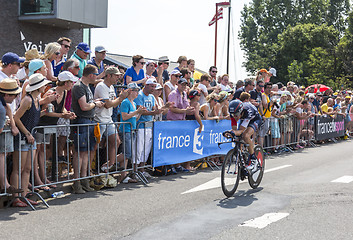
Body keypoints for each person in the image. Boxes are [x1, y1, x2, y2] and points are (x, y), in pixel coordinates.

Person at [11, 73, 51, 207]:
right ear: (38, 87)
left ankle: (23, 196)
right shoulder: (27, 100)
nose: (45, 87)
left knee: (27, 168)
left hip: (29, 137)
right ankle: (16, 197)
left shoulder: (36, 100)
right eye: (43, 85)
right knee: (18, 168)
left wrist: (43, 113)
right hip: (23, 137)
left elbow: (30, 116)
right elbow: (16, 118)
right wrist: (27, 134)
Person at [33, 71, 77, 191]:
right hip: (41, 125)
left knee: (42, 151)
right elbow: (46, 111)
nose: (72, 84)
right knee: (38, 152)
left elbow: (61, 107)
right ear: (66, 82)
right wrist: (62, 115)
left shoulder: (65, 91)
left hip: (49, 125)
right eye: (71, 82)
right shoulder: (51, 92)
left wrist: (66, 113)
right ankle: (38, 179)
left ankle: (43, 178)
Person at [71, 64, 104, 194]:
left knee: (86, 152)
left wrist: (95, 102)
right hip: (82, 121)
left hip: (88, 121)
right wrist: (95, 103)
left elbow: (87, 104)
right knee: (80, 153)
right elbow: (84, 106)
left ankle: (84, 180)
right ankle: (77, 181)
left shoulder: (86, 86)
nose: (96, 77)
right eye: (96, 74)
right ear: (91, 75)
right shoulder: (79, 86)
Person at [93, 67, 130, 179]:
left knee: (116, 141)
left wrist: (118, 100)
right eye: (116, 75)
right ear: (109, 75)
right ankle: (90, 170)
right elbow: (108, 104)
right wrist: (121, 98)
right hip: (99, 119)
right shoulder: (101, 86)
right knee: (94, 146)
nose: (118, 77)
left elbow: (111, 103)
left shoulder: (112, 87)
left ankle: (109, 165)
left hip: (108, 119)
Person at [224, 92, 262, 173]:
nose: (235, 117)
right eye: (233, 115)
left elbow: (241, 130)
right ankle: (241, 162)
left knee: (245, 135)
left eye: (237, 115)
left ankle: (253, 158)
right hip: (244, 119)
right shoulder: (233, 113)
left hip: (255, 119)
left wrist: (234, 132)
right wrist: (231, 133)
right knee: (237, 138)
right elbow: (234, 130)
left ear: (241, 112)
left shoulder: (248, 111)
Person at [135, 77, 162, 178]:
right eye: (151, 86)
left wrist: (158, 109)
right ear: (146, 85)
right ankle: (135, 171)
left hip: (149, 126)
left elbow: (155, 108)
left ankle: (142, 170)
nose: (153, 88)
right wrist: (154, 112)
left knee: (146, 150)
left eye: (154, 87)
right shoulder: (140, 95)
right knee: (139, 149)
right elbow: (140, 111)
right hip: (141, 125)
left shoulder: (151, 97)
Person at [119, 83, 146, 183]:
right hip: (126, 130)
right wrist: (136, 112)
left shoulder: (133, 103)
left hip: (132, 129)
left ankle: (123, 175)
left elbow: (135, 118)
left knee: (127, 155)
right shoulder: (125, 102)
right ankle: (109, 163)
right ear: (130, 91)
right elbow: (125, 117)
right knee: (127, 154)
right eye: (136, 91)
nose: (137, 93)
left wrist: (139, 113)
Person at [0, 78, 22, 195]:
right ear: (7, 94)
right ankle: (5, 185)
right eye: (14, 95)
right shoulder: (1, 109)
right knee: (2, 155)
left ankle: (6, 184)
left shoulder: (4, 105)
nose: (15, 98)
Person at [258, 82, 274, 147]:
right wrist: (272, 102)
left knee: (263, 134)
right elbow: (265, 105)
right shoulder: (264, 95)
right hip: (264, 117)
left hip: (267, 116)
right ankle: (260, 149)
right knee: (261, 135)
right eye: (268, 88)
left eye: (271, 88)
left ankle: (261, 149)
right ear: (265, 88)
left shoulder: (268, 96)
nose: (269, 89)